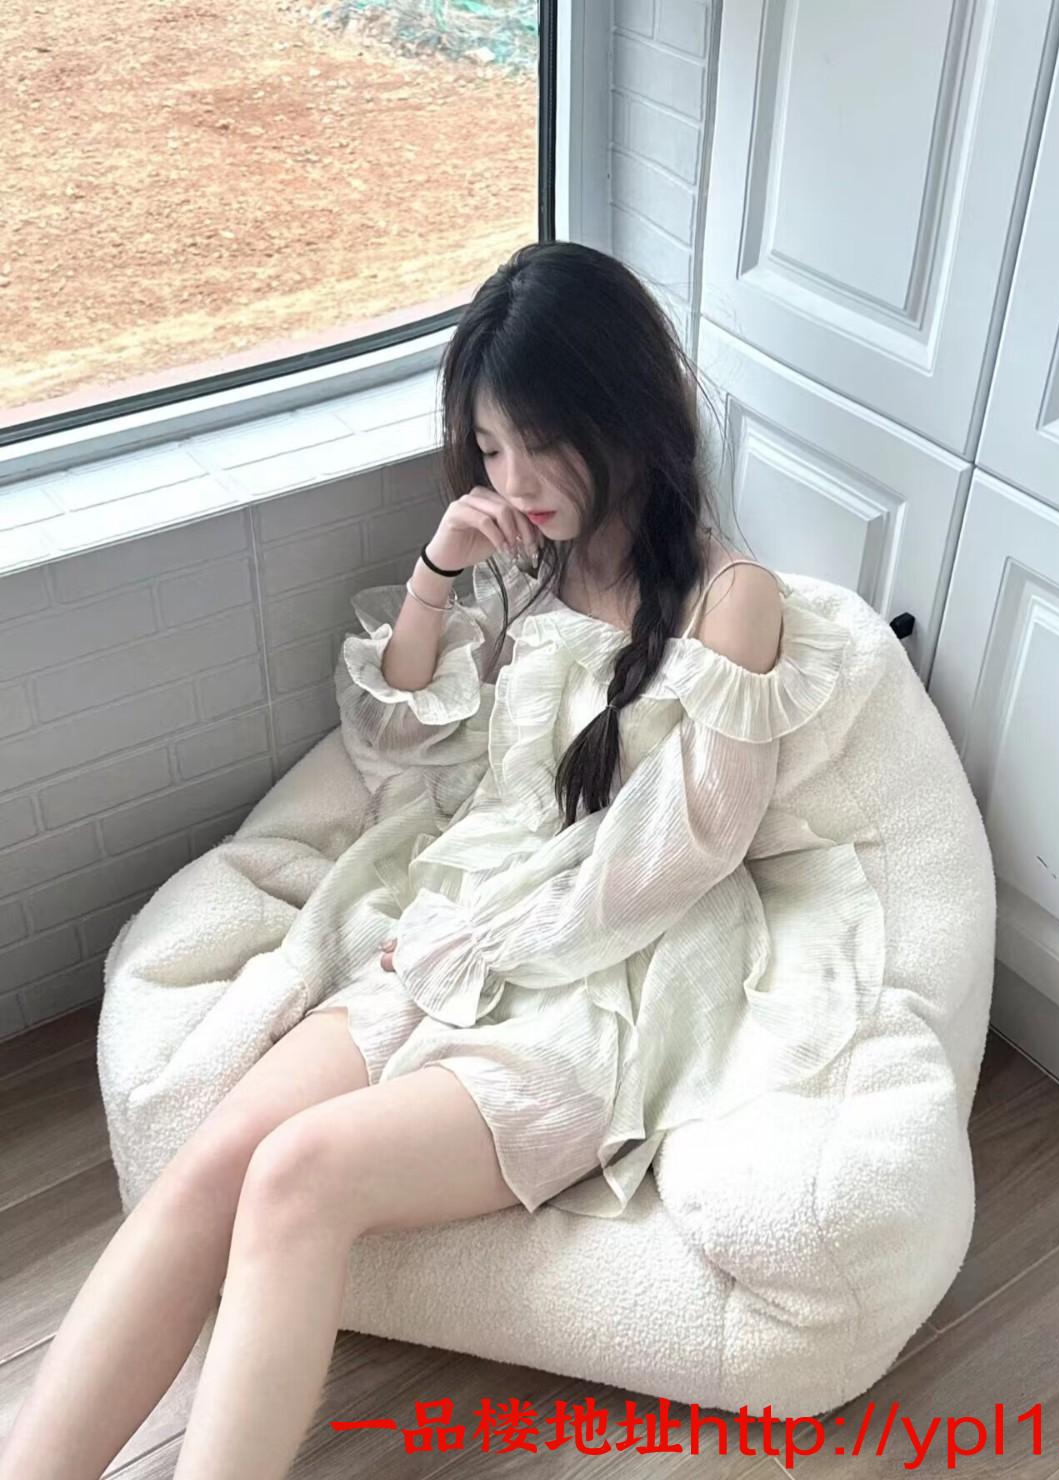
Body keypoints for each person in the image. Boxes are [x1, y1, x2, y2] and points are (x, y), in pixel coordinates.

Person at [0, 240, 856, 1480]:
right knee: (211, 1164)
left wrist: (480, 940)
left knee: (297, 1176)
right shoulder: (529, 566)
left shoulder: (734, 600)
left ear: (623, 413)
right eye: (490, 448)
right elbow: (395, 736)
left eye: (537, 444)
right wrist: (441, 564)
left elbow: (679, 856)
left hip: (598, 988)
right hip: (447, 930)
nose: (514, 479)